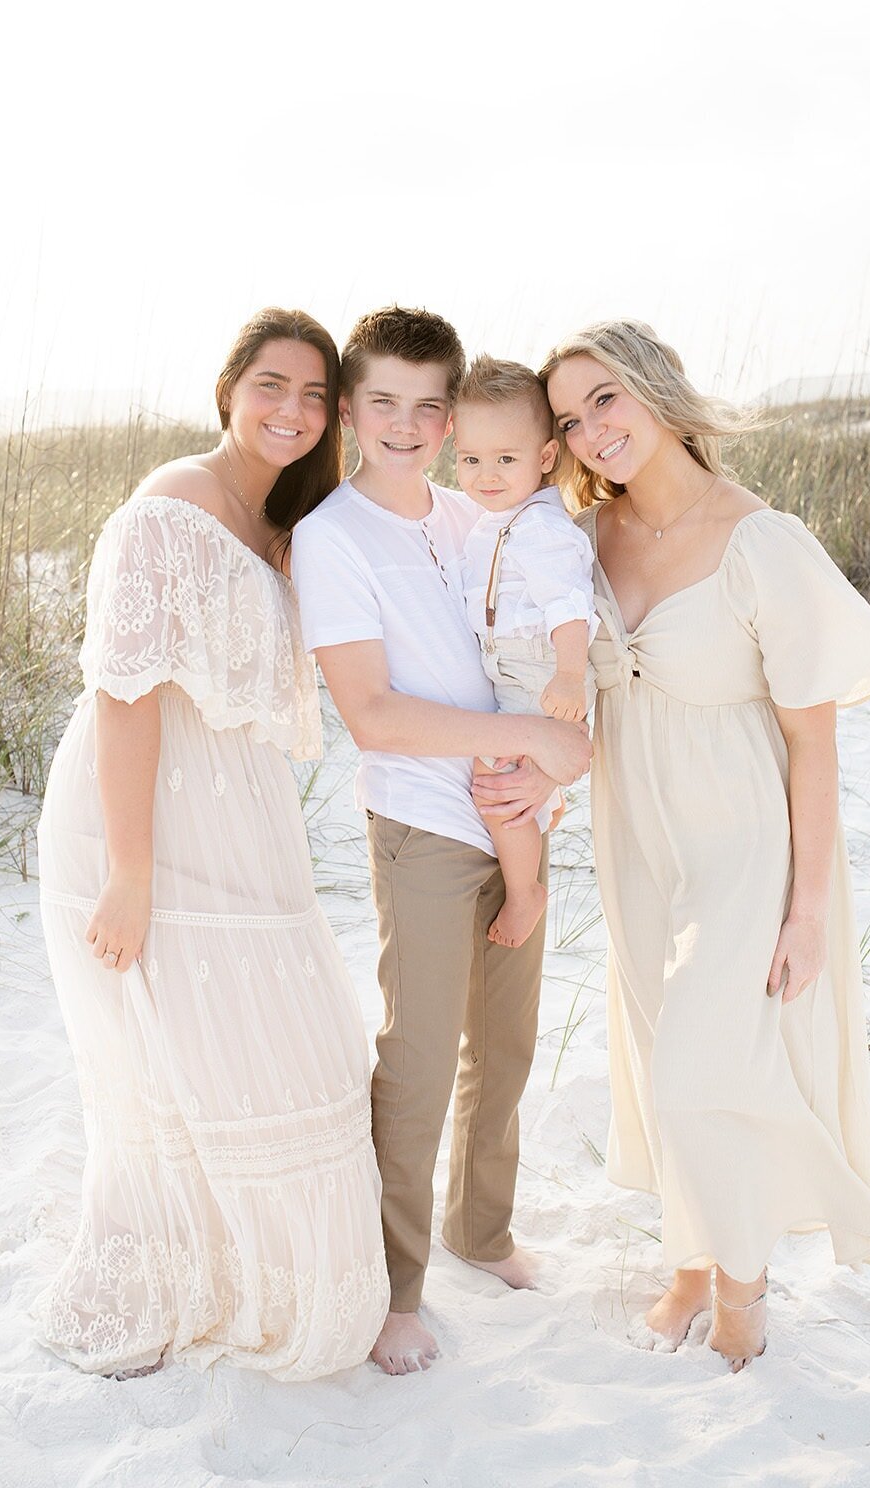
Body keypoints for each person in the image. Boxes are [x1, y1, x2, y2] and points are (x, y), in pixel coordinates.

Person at [477, 318, 870, 1373]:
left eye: (605, 401)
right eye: (570, 418)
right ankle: (690, 1254)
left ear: (655, 393)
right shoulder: (584, 538)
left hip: (742, 840)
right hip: (637, 833)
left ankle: (741, 1286)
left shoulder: (759, 539)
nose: (590, 432)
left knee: (695, 1067)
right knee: (652, 1045)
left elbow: (812, 743)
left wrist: (805, 911)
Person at [33, 307, 389, 1380]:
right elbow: (125, 696)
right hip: (140, 814)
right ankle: (168, 1270)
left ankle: (256, 1271)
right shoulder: (165, 509)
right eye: (270, 385)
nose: (292, 410)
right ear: (229, 389)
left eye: (314, 396)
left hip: (240, 812)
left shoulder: (291, 521)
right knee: (170, 1055)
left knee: (285, 1041)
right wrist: (129, 876)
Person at [290, 307, 591, 1376]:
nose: (408, 425)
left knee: (504, 1044)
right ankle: (393, 1290)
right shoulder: (331, 538)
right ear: (351, 411)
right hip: (422, 822)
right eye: (384, 402)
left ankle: (482, 1229)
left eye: (430, 405)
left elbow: (543, 627)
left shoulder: (473, 515)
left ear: (453, 413)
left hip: (513, 811)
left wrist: (556, 752)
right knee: (415, 1063)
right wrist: (527, 734)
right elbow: (371, 714)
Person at [454, 355, 598, 948]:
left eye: (505, 460)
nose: (486, 475)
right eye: (470, 459)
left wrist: (568, 675)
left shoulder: (541, 527)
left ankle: (525, 892)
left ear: (544, 458)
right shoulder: (499, 517)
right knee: (506, 769)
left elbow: (569, 603)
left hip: (538, 669)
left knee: (495, 779)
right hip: (513, 667)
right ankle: (546, 804)